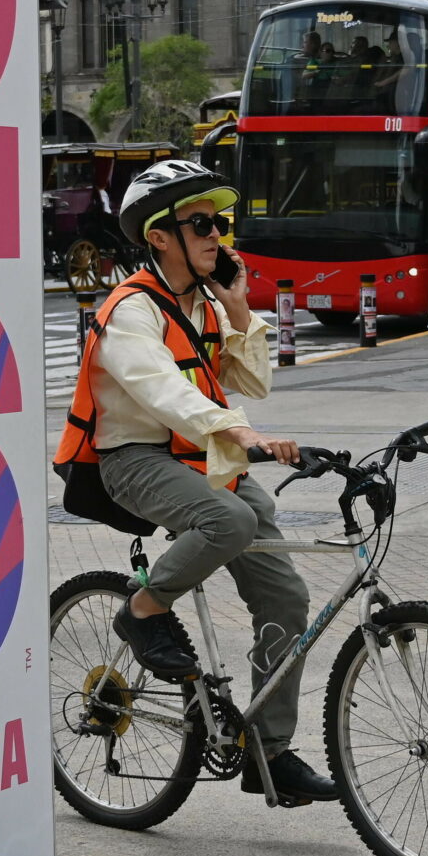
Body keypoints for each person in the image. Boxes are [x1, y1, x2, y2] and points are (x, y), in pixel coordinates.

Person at [51, 158, 335, 807]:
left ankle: (268, 751)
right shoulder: (130, 312)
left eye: (221, 223)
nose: (218, 235)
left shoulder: (204, 304)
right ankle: (143, 610)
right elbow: (166, 392)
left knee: (286, 595)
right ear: (159, 235)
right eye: (201, 223)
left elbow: (253, 380)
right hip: (133, 458)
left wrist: (239, 310)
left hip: (198, 457)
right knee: (228, 522)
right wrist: (244, 435)